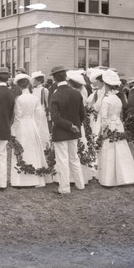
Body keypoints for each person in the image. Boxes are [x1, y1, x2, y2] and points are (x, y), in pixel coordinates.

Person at [97, 70, 134, 186]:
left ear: (106, 85)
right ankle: (126, 176)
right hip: (118, 125)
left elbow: (104, 118)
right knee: (120, 149)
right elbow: (119, 113)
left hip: (110, 125)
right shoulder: (118, 99)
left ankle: (109, 179)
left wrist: (103, 130)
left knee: (109, 149)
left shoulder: (106, 100)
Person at [50, 66, 86, 194]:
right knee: (74, 158)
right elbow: (82, 114)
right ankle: (80, 184)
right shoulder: (76, 93)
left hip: (61, 132)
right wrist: (75, 125)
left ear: (54, 79)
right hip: (74, 132)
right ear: (66, 77)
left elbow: (55, 118)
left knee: (62, 160)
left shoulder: (55, 95)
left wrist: (69, 125)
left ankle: (64, 188)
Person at [10, 73, 47, 188]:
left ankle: (21, 180)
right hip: (31, 124)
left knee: (22, 148)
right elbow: (38, 115)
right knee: (32, 149)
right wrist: (34, 124)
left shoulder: (19, 99)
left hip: (22, 124)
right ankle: (35, 177)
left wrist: (13, 130)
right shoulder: (34, 98)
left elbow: (17, 116)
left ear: (19, 86)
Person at [31, 71, 50, 150]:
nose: (33, 82)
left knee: (42, 127)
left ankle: (44, 145)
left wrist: (48, 113)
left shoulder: (44, 90)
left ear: (38, 81)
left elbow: (47, 103)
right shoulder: (33, 90)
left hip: (41, 111)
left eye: (34, 80)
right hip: (34, 111)